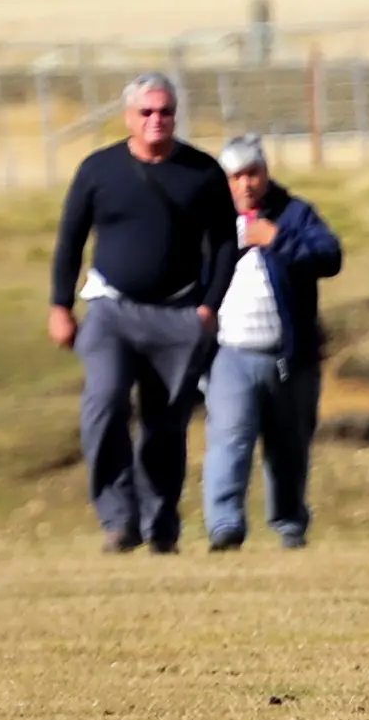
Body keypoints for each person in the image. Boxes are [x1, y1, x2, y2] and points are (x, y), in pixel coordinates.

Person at [48, 73, 236, 554]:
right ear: (128, 117)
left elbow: (224, 246)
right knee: (105, 403)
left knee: (165, 423)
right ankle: (117, 517)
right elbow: (70, 241)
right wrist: (60, 307)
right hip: (112, 308)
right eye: (147, 112)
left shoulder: (203, 172)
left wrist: (207, 309)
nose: (157, 120)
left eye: (166, 111)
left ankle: (159, 524)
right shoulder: (98, 170)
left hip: (178, 314)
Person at [202, 135, 344, 552]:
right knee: (230, 438)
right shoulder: (208, 219)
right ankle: (224, 526)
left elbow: (329, 257)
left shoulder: (294, 213)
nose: (245, 184)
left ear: (265, 172)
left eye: (253, 173)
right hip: (230, 351)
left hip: (290, 354)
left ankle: (289, 525)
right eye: (235, 176)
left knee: (290, 446)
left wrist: (275, 239)